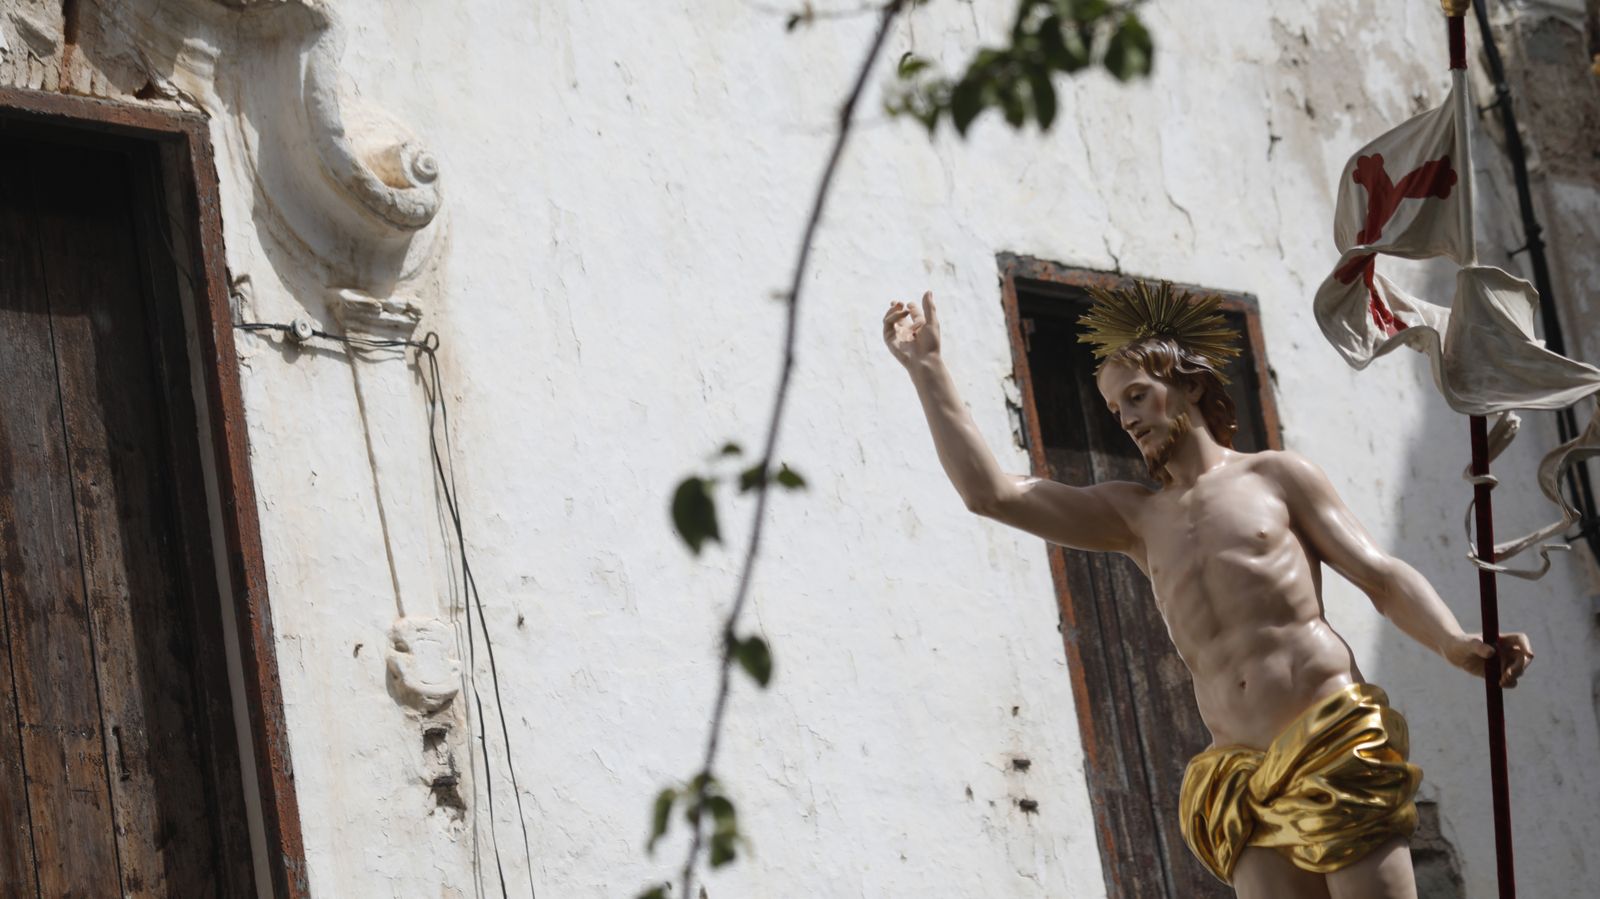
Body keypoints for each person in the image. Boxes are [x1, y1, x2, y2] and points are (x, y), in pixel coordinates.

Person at [881, 282, 1534, 899]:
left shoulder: (1275, 477)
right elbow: (991, 493)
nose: (1126, 419)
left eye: (1136, 396)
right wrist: (927, 369)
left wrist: (1455, 643)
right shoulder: (1136, 517)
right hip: (1239, 776)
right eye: (1114, 408)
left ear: (1187, 383)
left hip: (1329, 740)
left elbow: (1380, 574)